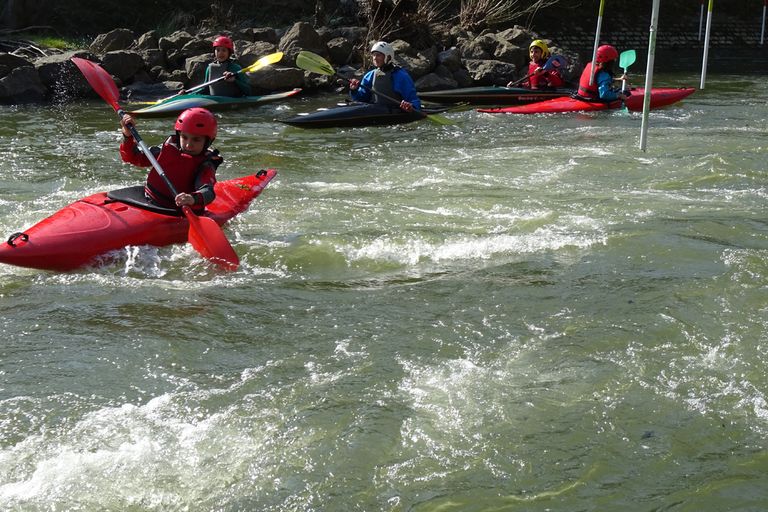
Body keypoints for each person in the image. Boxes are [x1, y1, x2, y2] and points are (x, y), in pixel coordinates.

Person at [119, 107, 223, 212]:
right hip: (148, 198)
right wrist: (127, 136)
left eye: (196, 140)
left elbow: (208, 192)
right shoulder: (167, 149)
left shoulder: (205, 165)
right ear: (178, 135)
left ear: (208, 141)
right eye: (184, 137)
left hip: (174, 210)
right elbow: (132, 158)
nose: (188, 145)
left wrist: (192, 199)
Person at [349, 41, 421, 112]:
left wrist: (411, 106)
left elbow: (414, 100)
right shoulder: (370, 75)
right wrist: (354, 90)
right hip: (375, 111)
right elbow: (361, 99)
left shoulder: (401, 76)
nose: (375, 58)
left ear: (388, 57)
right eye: (374, 55)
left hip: (394, 112)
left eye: (378, 55)